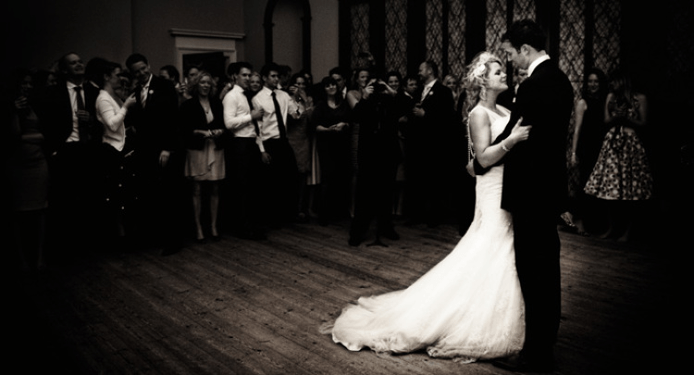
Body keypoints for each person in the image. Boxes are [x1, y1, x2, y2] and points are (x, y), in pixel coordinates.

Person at [321, 51, 531, 364]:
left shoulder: (503, 108)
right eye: (498, 71)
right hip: (491, 191)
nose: (504, 74)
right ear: (483, 81)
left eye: (503, 70)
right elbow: (483, 158)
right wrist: (512, 140)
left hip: (505, 188)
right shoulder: (477, 114)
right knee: (490, 246)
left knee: (500, 250)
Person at [488, 20, 575, 372]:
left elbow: (516, 135)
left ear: (525, 49)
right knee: (545, 270)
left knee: (534, 272)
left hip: (531, 193)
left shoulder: (536, 85)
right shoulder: (559, 79)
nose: (509, 60)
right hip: (546, 191)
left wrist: (480, 162)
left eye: (509, 53)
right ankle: (542, 345)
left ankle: (536, 354)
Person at [34, 52, 103, 257]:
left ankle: (89, 246)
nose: (79, 64)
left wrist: (91, 120)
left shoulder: (93, 91)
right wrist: (54, 148)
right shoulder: (54, 92)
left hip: (88, 150)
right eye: (73, 63)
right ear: (64, 69)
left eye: (80, 61)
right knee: (66, 200)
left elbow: (104, 124)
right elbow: (46, 121)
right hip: (65, 150)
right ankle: (67, 248)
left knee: (89, 198)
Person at [124, 53, 186, 255]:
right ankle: (155, 237)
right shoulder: (136, 91)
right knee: (153, 194)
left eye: (144, 68)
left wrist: (168, 148)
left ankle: (174, 241)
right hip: (146, 151)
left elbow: (173, 119)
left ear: (149, 65)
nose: (142, 73)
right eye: (137, 71)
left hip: (164, 149)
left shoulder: (165, 86)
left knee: (170, 195)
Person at [583, 69, 653, 242]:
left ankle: (627, 231)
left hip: (630, 143)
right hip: (612, 142)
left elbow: (644, 123)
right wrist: (616, 116)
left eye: (613, 81)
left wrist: (626, 119)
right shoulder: (610, 97)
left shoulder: (640, 98)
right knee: (610, 187)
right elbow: (606, 121)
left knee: (630, 189)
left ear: (622, 81)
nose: (611, 85)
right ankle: (612, 227)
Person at [348, 75, 402, 246]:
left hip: (388, 153)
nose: (376, 89)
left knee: (387, 193)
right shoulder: (366, 102)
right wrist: (364, 97)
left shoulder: (390, 100)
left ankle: (386, 227)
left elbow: (404, 109)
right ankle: (358, 231)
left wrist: (391, 92)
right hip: (369, 154)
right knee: (364, 194)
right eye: (372, 85)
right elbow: (355, 116)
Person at [92, 58, 139, 250]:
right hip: (111, 149)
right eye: (117, 74)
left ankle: (126, 233)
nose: (121, 77)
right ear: (107, 77)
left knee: (124, 194)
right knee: (116, 194)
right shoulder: (102, 98)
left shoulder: (114, 97)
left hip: (121, 149)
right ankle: (119, 237)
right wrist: (126, 106)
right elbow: (112, 124)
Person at [6, 68, 49, 272]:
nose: (28, 86)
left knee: (40, 210)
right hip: (16, 163)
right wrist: (13, 111)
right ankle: (21, 259)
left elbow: (45, 134)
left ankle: (39, 257)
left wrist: (31, 137)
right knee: (17, 212)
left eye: (30, 83)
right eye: (24, 83)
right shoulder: (7, 106)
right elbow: (13, 136)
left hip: (38, 163)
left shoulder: (37, 104)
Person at [407, 60, 455, 227]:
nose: (419, 73)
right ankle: (417, 215)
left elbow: (447, 118)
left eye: (421, 69)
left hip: (435, 146)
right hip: (418, 145)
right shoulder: (419, 91)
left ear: (430, 71)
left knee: (435, 182)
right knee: (418, 181)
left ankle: (434, 217)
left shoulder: (444, 92)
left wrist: (425, 115)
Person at [179, 70, 226, 243]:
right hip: (197, 149)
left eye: (208, 83)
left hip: (215, 148)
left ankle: (213, 226)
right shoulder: (188, 105)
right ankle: (198, 227)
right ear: (196, 85)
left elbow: (223, 124)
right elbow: (183, 130)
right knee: (197, 189)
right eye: (202, 83)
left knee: (215, 188)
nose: (205, 86)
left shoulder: (217, 103)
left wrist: (220, 131)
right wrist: (199, 132)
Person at [222, 61, 266, 240]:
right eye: (244, 75)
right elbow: (228, 123)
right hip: (239, 144)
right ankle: (242, 227)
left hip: (250, 144)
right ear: (235, 77)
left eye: (249, 75)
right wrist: (251, 116)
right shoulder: (231, 97)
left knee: (252, 186)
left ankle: (252, 225)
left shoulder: (247, 95)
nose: (248, 78)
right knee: (241, 187)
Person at [254, 63, 300, 229]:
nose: (276, 79)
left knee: (290, 177)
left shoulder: (283, 95)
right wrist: (262, 150)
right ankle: (271, 218)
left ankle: (286, 215)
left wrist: (296, 97)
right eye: (272, 76)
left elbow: (296, 114)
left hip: (283, 141)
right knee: (270, 182)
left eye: (277, 76)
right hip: (269, 142)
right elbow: (257, 128)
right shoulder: (257, 98)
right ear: (265, 78)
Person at [565, 67, 609, 235]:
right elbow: (577, 129)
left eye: (596, 81)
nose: (592, 85)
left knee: (600, 186)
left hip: (602, 147)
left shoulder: (606, 101)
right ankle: (580, 222)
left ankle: (596, 224)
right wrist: (574, 153)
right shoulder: (583, 103)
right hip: (587, 147)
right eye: (590, 81)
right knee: (585, 184)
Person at [310, 76, 352, 226]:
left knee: (341, 177)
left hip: (342, 144)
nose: (331, 88)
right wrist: (327, 130)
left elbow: (350, 121)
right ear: (324, 89)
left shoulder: (344, 103)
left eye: (333, 85)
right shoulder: (321, 105)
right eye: (327, 86)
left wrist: (343, 124)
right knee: (327, 178)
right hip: (326, 145)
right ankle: (324, 214)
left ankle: (339, 211)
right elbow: (315, 126)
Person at [286, 73, 314, 222]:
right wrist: (295, 100)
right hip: (291, 139)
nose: (300, 87)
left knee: (303, 175)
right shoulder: (286, 100)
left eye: (303, 84)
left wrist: (304, 101)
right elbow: (290, 119)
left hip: (304, 140)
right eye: (297, 84)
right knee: (292, 174)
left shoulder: (308, 100)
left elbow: (312, 120)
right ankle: (291, 209)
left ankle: (301, 208)